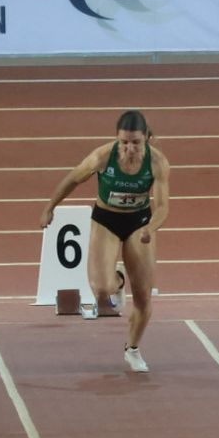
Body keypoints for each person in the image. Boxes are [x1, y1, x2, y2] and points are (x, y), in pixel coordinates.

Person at [41, 110, 170, 372]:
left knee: (144, 297)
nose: (129, 148)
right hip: (106, 220)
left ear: (146, 139)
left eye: (136, 142)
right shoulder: (102, 156)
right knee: (101, 290)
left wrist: (150, 228)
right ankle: (118, 281)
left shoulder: (157, 162)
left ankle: (132, 349)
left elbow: (163, 207)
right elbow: (72, 179)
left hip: (139, 222)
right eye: (124, 142)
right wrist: (49, 207)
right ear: (117, 139)